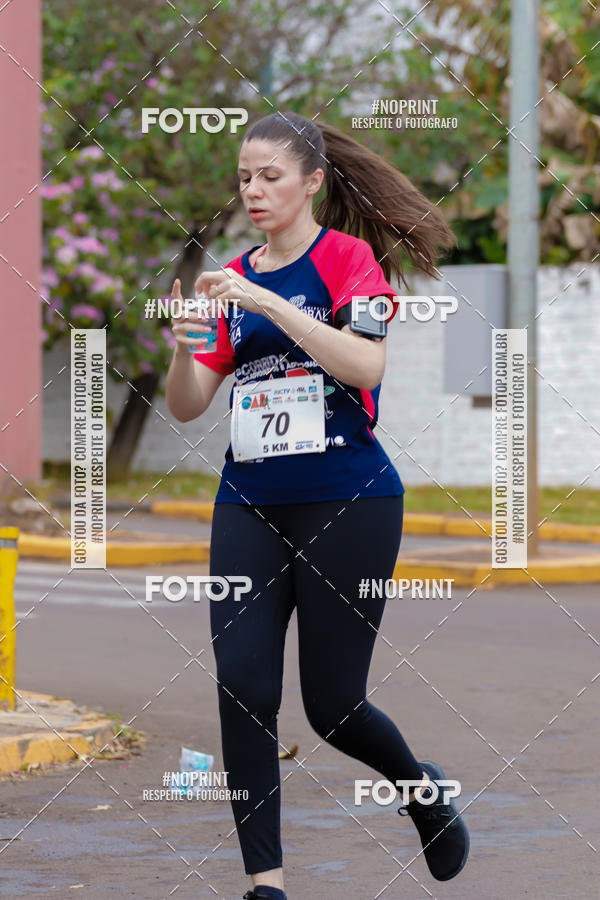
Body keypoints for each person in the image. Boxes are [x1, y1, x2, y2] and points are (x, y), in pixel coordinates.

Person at [166, 111, 469, 900]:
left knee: (333, 708)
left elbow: (363, 365)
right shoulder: (232, 278)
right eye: (243, 177)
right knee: (242, 687)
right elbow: (191, 403)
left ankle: (420, 792)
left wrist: (265, 305)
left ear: (311, 182)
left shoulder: (348, 260)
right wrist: (186, 344)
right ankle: (266, 883)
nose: (254, 190)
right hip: (249, 500)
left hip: (349, 501)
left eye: (270, 176)